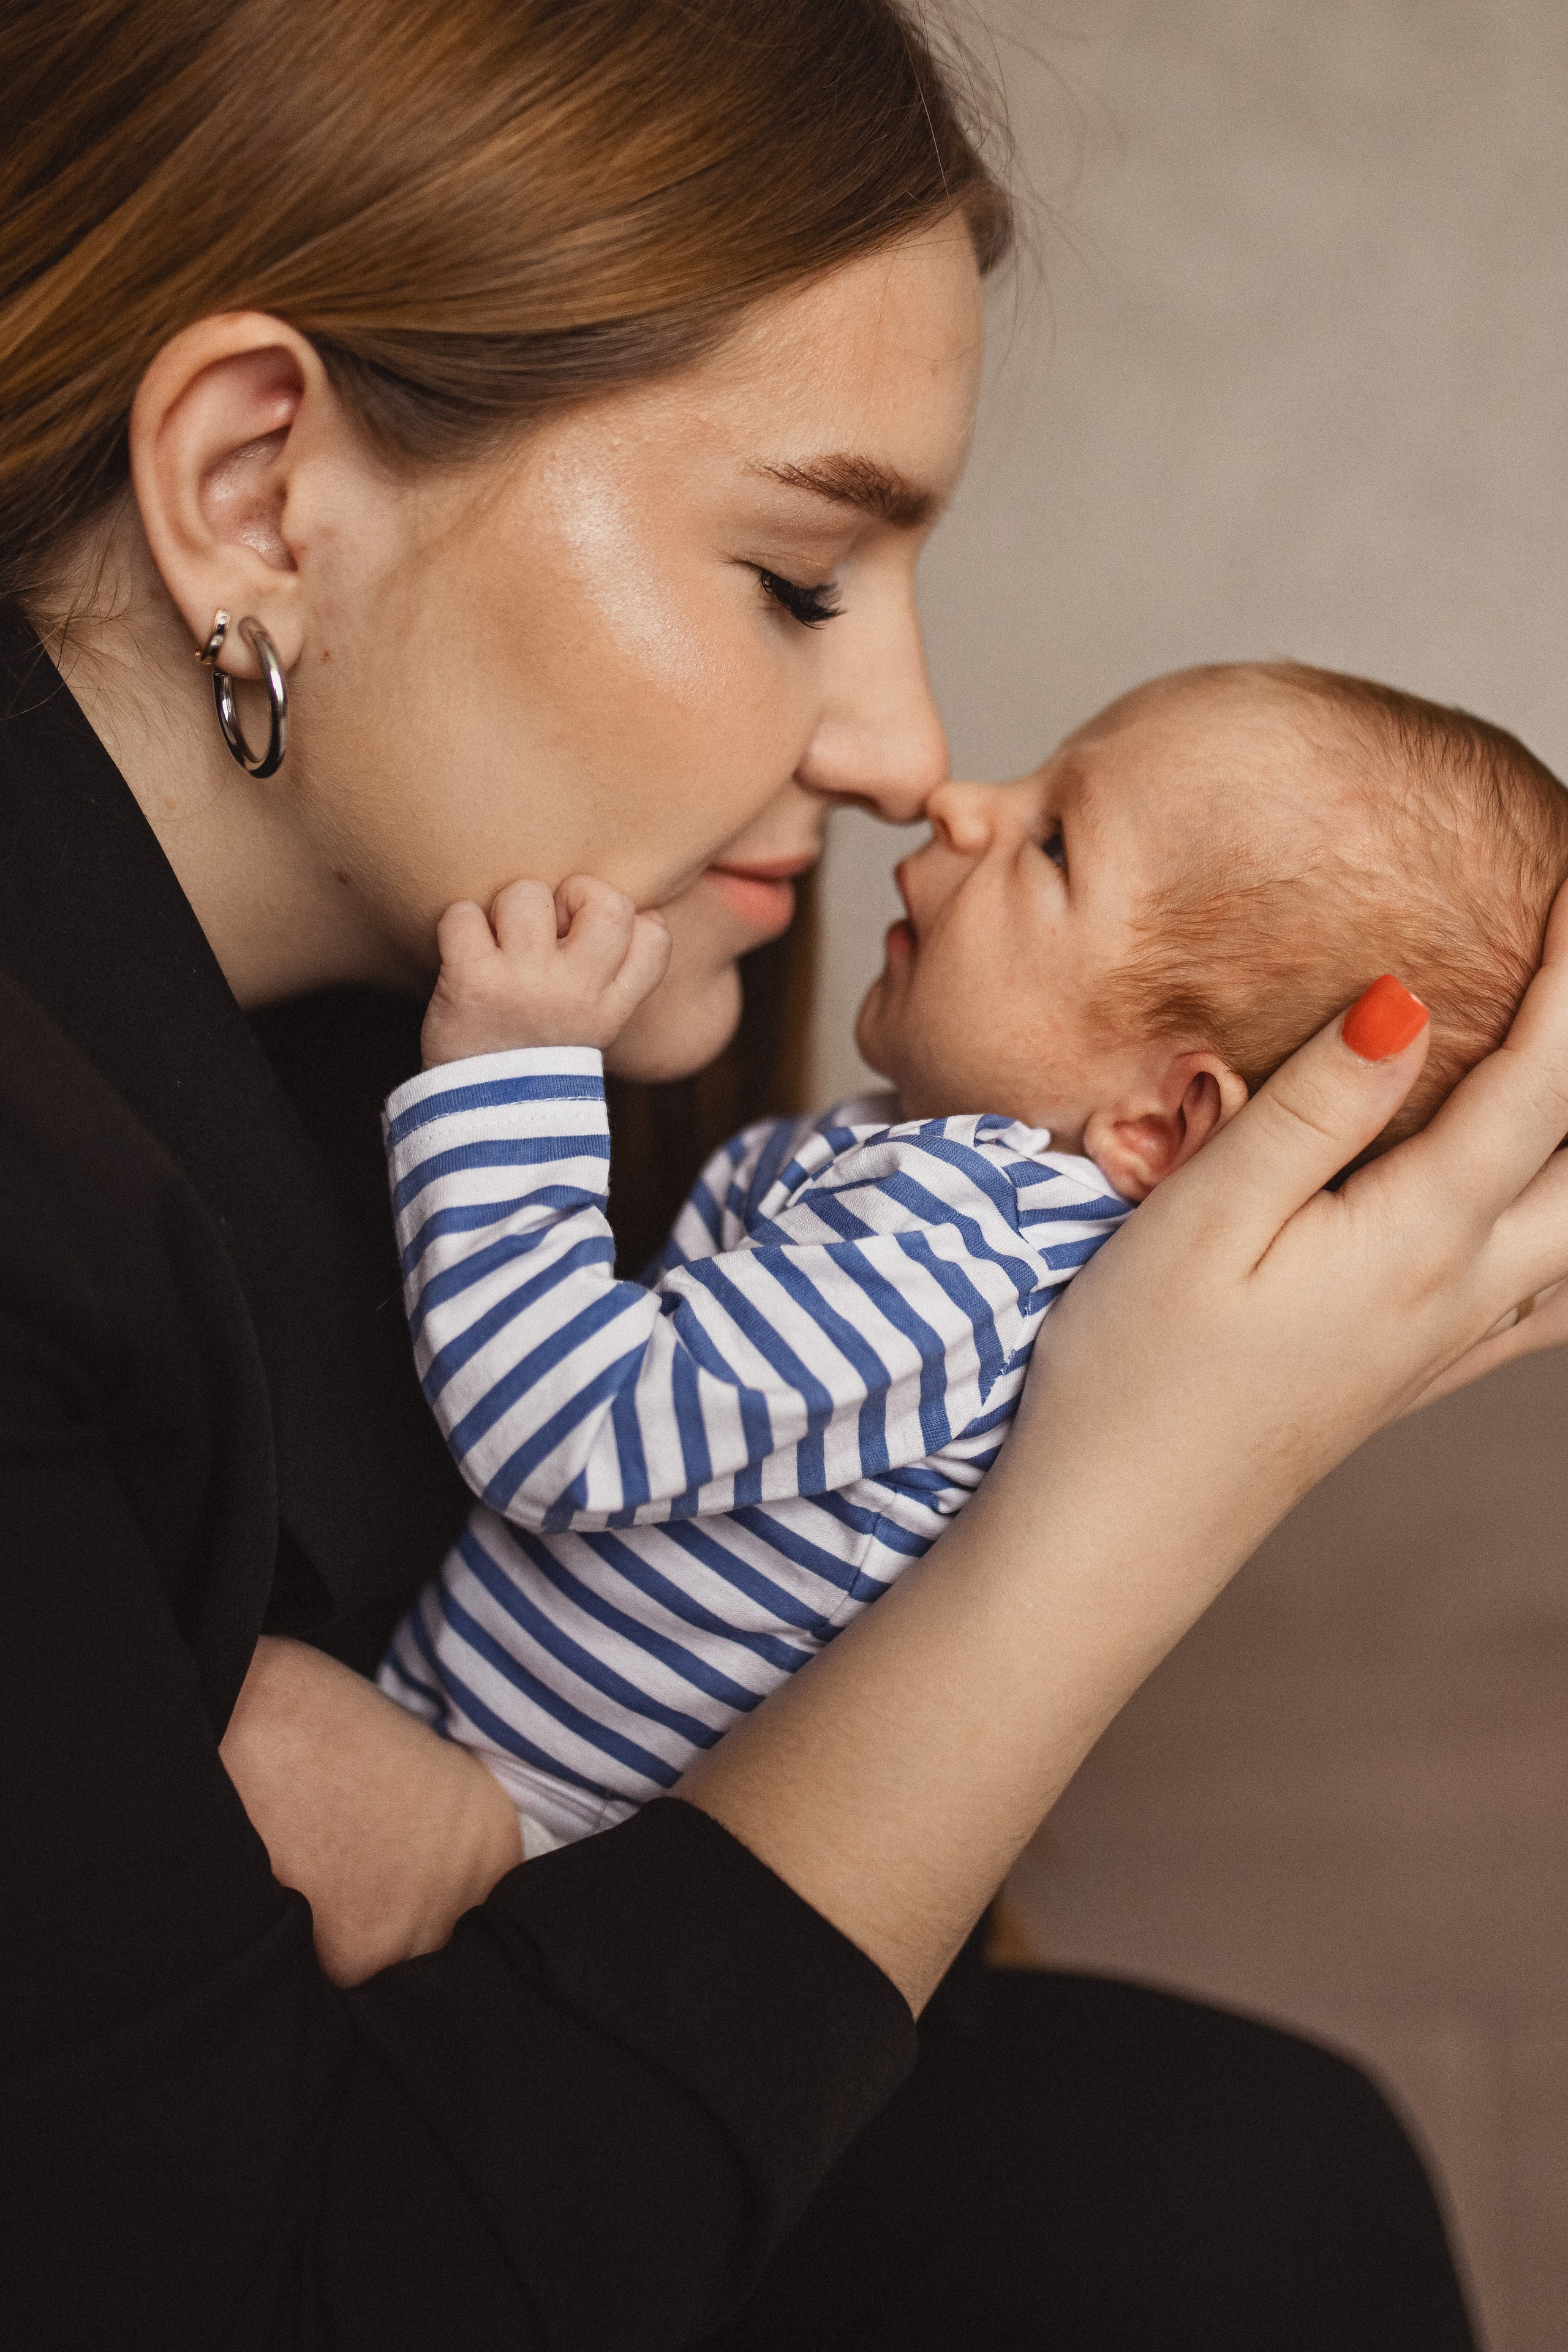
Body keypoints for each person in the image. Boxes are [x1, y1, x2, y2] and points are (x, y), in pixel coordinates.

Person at [5, 3, 1567, 2345]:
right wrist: (1122, 1510)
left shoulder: (557, 997)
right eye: (797, 575)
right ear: (254, 489)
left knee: (1252, 2174)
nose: (907, 756)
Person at [374, 658, 1567, 1856]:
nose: (960, 802)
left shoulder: (956, 1255)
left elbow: (563, 1427)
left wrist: (508, 1074)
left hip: (524, 1828)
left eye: (1051, 843)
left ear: (1158, 1123)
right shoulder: (961, 1200)